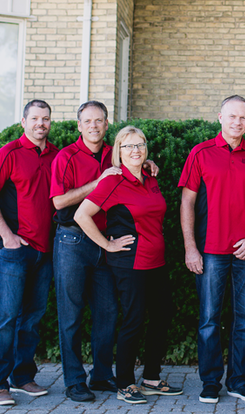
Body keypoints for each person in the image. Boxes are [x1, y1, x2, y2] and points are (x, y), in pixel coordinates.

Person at [50, 101, 158, 402]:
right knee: (71, 314)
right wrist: (98, 182)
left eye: (100, 120)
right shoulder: (66, 157)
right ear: (79, 125)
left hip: (107, 243)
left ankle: (101, 374)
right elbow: (59, 202)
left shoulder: (118, 151)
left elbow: (133, 169)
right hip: (74, 241)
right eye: (88, 121)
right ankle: (74, 380)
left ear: (107, 124)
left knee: (108, 312)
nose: (94, 126)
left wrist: (143, 166)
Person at [75, 126, 181, 405]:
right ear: (118, 151)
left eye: (140, 145)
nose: (135, 150)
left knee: (162, 316)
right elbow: (81, 214)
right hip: (130, 263)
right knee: (134, 320)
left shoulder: (150, 177)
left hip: (157, 261)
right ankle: (125, 383)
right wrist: (107, 244)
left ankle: (151, 379)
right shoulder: (113, 181)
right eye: (128, 146)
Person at [179, 95, 245, 404]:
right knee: (209, 319)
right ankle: (209, 382)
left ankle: (239, 381)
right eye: (232, 116)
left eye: (243, 117)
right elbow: (187, 202)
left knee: (244, 320)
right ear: (220, 117)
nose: (237, 122)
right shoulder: (201, 153)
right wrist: (191, 248)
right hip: (210, 250)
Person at [0, 99, 58, 406]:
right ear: (23, 121)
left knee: (32, 318)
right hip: (15, 251)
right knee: (5, 317)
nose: (41, 123)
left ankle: (22, 376)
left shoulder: (55, 155)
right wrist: (7, 236)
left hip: (45, 252)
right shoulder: (7, 154)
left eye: (46, 119)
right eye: (36, 118)